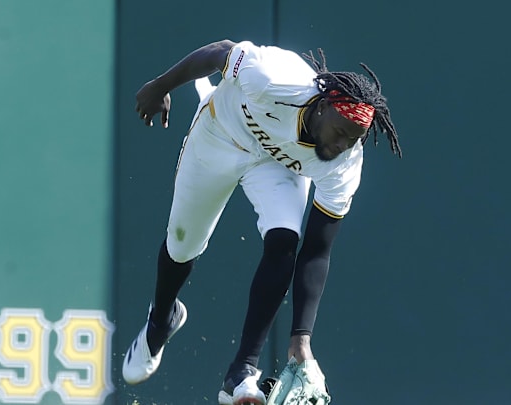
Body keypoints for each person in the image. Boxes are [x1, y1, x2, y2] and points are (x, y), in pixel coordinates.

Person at [121, 39, 402, 405]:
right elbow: (219, 51)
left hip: (275, 165)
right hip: (220, 133)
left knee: (285, 239)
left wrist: (301, 339)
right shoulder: (275, 78)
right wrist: (160, 87)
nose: (341, 145)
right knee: (182, 244)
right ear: (322, 107)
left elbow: (316, 252)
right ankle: (161, 319)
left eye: (354, 139)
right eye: (339, 132)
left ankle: (241, 370)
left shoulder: (345, 163)